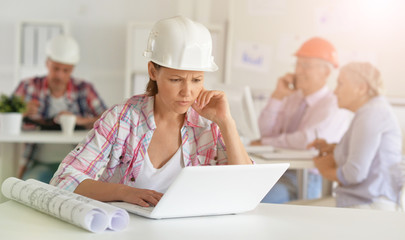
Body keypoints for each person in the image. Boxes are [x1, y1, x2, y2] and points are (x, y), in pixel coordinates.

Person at [50, 16, 252, 207]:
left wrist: (226, 122)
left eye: (197, 80)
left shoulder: (209, 124)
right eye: (176, 80)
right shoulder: (122, 119)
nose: (187, 92)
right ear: (153, 72)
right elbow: (63, 179)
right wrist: (123, 192)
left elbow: (245, 189)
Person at [251, 37, 352, 203]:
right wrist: (277, 96)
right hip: (278, 171)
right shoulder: (293, 97)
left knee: (256, 201)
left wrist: (267, 142)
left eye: (306, 65)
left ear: (326, 72)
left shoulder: (334, 103)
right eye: (297, 64)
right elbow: (266, 132)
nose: (298, 71)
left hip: (307, 178)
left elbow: (307, 139)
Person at [308, 62, 402, 211]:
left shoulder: (371, 114)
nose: (335, 91)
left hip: (368, 205)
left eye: (340, 84)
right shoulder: (372, 111)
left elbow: (355, 173)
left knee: (285, 213)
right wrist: (334, 148)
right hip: (363, 200)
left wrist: (324, 170)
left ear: (361, 88)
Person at [13, 35, 107, 183]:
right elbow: (5, 114)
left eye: (66, 70)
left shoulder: (84, 89)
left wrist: (80, 120)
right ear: (47, 63)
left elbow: (107, 120)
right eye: (55, 68)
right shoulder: (28, 86)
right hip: (38, 163)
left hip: (75, 167)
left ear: (72, 69)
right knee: (30, 187)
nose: (59, 75)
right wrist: (20, 112)